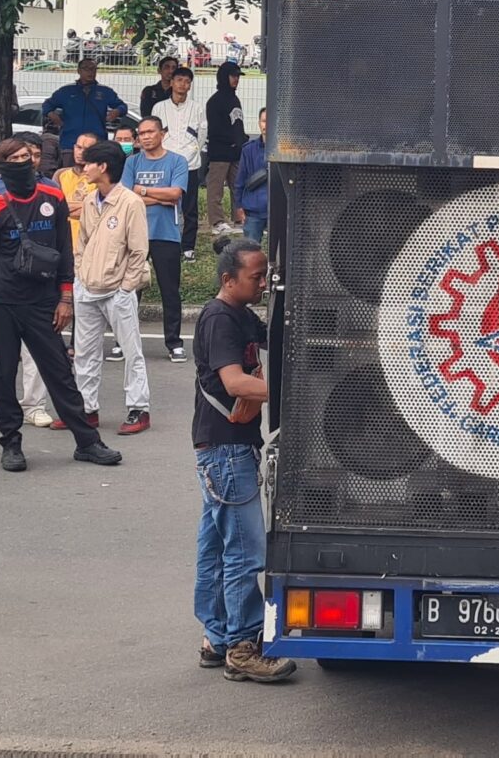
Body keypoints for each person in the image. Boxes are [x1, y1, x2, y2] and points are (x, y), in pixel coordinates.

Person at [0, 138, 118, 468]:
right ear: (3, 166)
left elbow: (65, 250)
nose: (24, 163)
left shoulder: (53, 196)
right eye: (15, 159)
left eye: (28, 157)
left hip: (43, 302)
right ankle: (11, 444)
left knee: (60, 373)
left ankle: (87, 442)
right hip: (2, 304)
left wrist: (65, 298)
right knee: (2, 374)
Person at [190, 240, 292, 682]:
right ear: (228, 280)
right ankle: (243, 646)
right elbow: (234, 382)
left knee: (214, 546)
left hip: (222, 447)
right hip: (227, 449)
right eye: (257, 276)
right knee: (245, 551)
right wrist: (293, 393)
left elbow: (272, 339)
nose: (264, 282)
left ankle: (216, 636)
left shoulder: (238, 313)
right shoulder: (219, 320)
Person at [69, 139, 154, 436]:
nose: (84, 167)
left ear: (103, 167)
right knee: (85, 353)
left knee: (132, 351)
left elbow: (138, 250)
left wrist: (126, 286)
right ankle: (87, 409)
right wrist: (81, 276)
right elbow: (83, 244)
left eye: (89, 163)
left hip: (118, 290)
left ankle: (138, 409)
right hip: (87, 288)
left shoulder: (130, 202)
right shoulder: (91, 201)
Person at [122, 116, 195, 362]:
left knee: (169, 291)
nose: (145, 137)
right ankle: (124, 342)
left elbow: (175, 194)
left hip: (167, 234)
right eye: (141, 133)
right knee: (131, 290)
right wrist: (159, 197)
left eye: (150, 132)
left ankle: (174, 343)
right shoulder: (131, 162)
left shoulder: (177, 161)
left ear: (162, 133)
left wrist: (142, 191)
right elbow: (126, 195)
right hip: (135, 234)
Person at [150, 65, 205, 236]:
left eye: (187, 82)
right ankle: (163, 238)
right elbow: (154, 133)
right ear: (171, 82)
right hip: (165, 163)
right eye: (179, 80)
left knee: (190, 208)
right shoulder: (159, 107)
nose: (182, 84)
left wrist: (193, 151)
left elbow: (202, 134)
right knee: (162, 203)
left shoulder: (197, 108)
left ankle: (188, 247)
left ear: (190, 86)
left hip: (189, 165)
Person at [40, 58, 129, 153]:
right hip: (70, 143)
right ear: (79, 71)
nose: (90, 72)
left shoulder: (105, 91)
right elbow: (47, 105)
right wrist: (53, 116)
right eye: (86, 69)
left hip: (97, 143)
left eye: (93, 69)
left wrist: (117, 111)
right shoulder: (66, 91)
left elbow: (123, 106)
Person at [202, 63, 248, 234]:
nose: (236, 79)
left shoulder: (234, 99)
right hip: (219, 152)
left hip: (236, 153)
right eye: (233, 76)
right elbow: (214, 129)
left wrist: (241, 141)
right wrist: (231, 140)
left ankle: (239, 218)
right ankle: (217, 222)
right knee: (216, 189)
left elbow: (237, 124)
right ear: (224, 77)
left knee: (238, 186)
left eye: (238, 76)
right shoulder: (215, 101)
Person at [232, 108, 269, 244]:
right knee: (250, 251)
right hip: (253, 209)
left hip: (278, 209)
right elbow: (239, 180)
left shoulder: (285, 150)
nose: (266, 125)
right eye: (264, 121)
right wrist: (239, 205)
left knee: (281, 253)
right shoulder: (248, 150)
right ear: (259, 123)